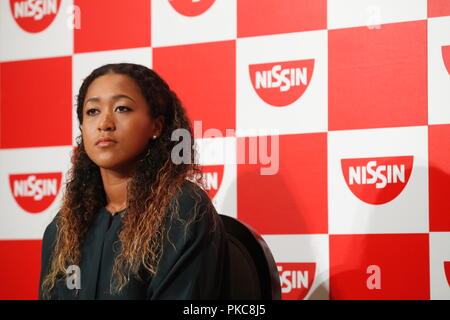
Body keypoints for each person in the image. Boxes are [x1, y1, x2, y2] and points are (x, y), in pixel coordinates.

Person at [38, 63, 228, 300]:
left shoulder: (182, 209)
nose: (105, 123)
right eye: (92, 111)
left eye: (122, 108)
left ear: (156, 126)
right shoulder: (63, 227)